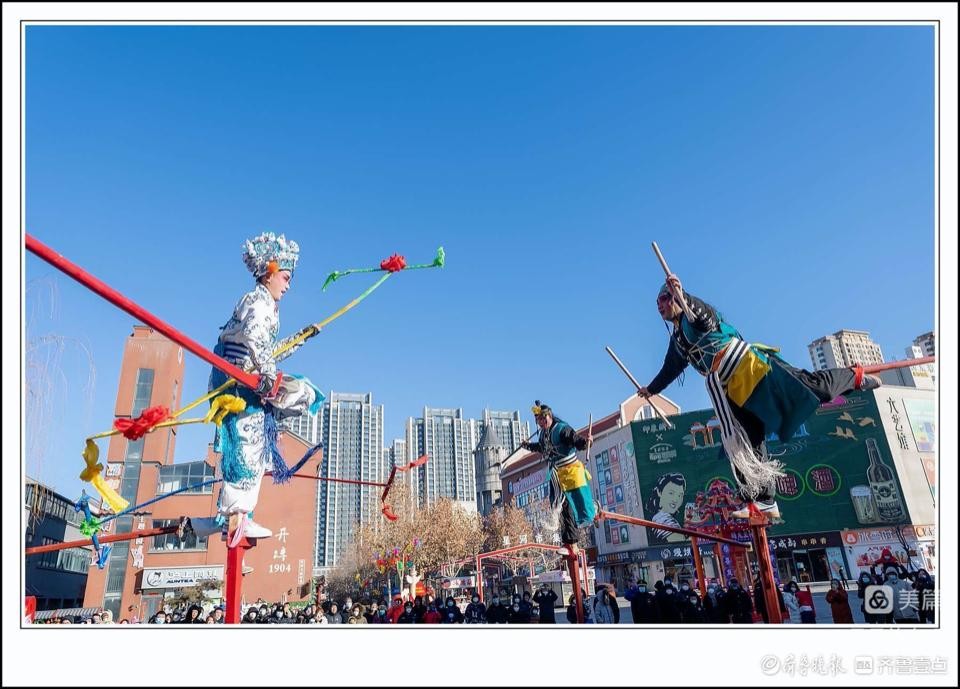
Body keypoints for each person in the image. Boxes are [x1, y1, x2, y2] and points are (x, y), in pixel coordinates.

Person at [637, 274, 882, 518]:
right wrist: (651, 389)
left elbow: (704, 315)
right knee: (746, 439)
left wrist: (684, 295)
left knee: (814, 388)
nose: (659, 305)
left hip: (752, 367)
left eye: (664, 298)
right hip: (728, 386)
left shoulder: (693, 317)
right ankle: (763, 499)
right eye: (657, 302)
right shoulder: (678, 339)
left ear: (675, 298)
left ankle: (854, 377)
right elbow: (670, 369)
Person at [183, 232, 322, 542]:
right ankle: (236, 517)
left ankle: (238, 516)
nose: (288, 286)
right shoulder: (257, 302)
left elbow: (268, 350)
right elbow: (256, 340)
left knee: (296, 401)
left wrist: (300, 338)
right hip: (237, 382)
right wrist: (268, 376)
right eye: (285, 278)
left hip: (250, 378)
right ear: (269, 273)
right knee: (246, 444)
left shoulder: (267, 306)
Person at [520, 402, 594, 556]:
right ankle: (569, 543)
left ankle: (572, 543)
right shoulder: (543, 434)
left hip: (571, 471)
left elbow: (575, 440)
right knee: (561, 507)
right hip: (558, 474)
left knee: (572, 505)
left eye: (543, 419)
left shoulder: (561, 429)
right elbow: (541, 448)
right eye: (538, 420)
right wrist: (527, 446)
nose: (541, 422)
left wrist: (585, 442)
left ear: (550, 416)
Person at [647, 474, 688, 544]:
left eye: (680, 495)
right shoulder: (662, 518)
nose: (675, 500)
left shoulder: (661, 517)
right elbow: (682, 544)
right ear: (659, 492)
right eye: (671, 493)